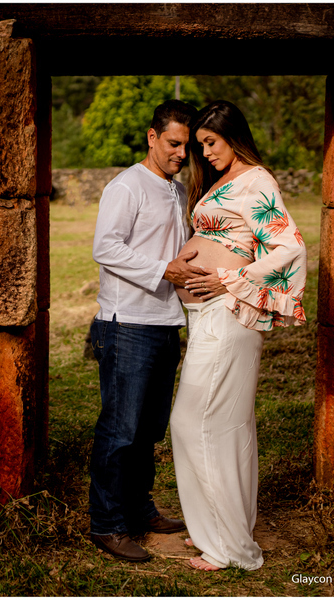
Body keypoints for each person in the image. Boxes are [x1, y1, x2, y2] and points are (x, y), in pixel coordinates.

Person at [170, 100, 307, 571]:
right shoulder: (224, 181)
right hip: (208, 317)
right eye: (199, 146)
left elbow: (289, 248)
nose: (204, 153)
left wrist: (233, 280)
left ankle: (229, 548)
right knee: (227, 427)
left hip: (230, 314)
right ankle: (220, 529)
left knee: (194, 422)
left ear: (233, 135)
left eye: (211, 142)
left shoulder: (257, 180)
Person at [89, 99, 220, 562]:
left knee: (148, 430)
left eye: (187, 146)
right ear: (151, 137)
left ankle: (138, 507)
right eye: (173, 143)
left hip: (166, 323)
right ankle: (106, 524)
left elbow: (180, 255)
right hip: (127, 325)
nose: (181, 153)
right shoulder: (127, 186)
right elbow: (105, 247)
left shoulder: (177, 190)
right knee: (120, 429)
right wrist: (163, 270)